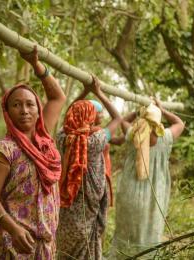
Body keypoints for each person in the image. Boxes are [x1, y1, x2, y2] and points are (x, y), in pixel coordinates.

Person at [0, 45, 66, 259]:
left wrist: (35, 64)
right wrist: (13, 229)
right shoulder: (3, 149)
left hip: (44, 244)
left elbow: (57, 97)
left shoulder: (44, 138)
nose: (24, 110)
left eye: (30, 104)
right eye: (16, 105)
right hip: (13, 244)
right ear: (7, 112)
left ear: (39, 110)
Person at [109, 99, 185, 259]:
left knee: (126, 230)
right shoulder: (166, 138)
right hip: (155, 194)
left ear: (143, 118)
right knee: (151, 230)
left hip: (129, 192)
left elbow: (123, 120)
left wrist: (138, 111)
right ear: (158, 122)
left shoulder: (132, 134)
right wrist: (162, 109)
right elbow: (179, 123)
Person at [56, 77, 121, 260]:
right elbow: (117, 118)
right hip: (87, 209)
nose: (99, 118)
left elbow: (70, 112)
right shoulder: (96, 140)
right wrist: (98, 91)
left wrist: (85, 91)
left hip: (66, 210)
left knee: (66, 252)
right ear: (89, 118)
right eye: (95, 114)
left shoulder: (62, 137)